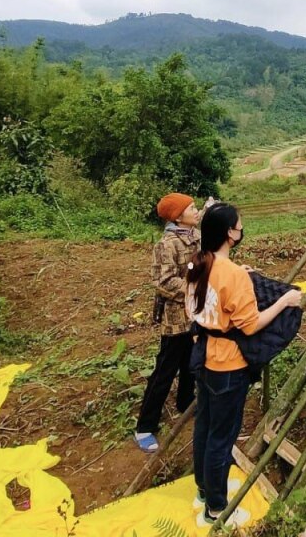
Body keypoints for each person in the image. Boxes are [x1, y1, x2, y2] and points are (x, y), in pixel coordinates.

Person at [188, 203, 303, 527]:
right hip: (229, 366)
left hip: (205, 356)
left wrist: (242, 275)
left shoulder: (197, 263)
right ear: (229, 233)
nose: (241, 230)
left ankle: (203, 490)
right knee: (222, 438)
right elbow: (250, 325)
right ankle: (216, 509)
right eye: (238, 226)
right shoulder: (233, 274)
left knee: (205, 426)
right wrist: (284, 301)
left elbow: (207, 300)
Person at [134, 192, 203, 453]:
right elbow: (163, 281)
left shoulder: (194, 236)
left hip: (193, 312)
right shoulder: (167, 244)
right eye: (191, 208)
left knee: (190, 362)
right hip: (175, 317)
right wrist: (193, 287)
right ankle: (145, 426)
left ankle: (185, 403)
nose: (196, 211)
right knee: (165, 369)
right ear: (177, 217)